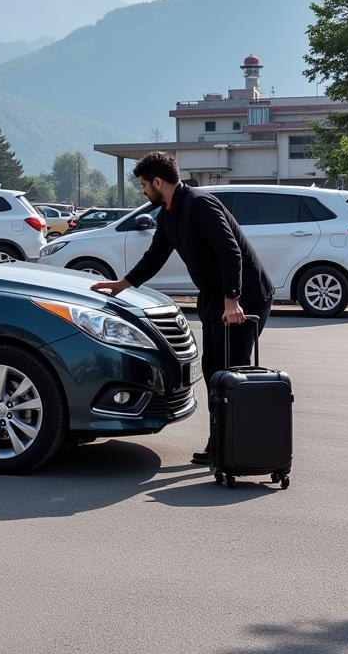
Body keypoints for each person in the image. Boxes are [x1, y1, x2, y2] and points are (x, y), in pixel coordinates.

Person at [90, 151, 273, 465]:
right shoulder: (168, 214)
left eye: (145, 185)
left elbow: (230, 252)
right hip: (216, 297)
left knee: (233, 371)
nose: (143, 192)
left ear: (158, 182)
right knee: (214, 370)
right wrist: (124, 283)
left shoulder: (199, 205)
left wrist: (232, 300)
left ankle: (237, 449)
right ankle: (221, 445)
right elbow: (156, 255)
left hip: (245, 298)